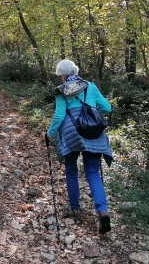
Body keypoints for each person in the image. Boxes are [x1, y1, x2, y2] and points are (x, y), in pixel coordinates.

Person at [46, 59, 113, 234]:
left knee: (71, 169)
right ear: (75, 71)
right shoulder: (90, 85)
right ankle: (102, 210)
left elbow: (60, 116)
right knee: (92, 171)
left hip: (71, 132)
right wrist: (93, 108)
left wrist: (49, 133)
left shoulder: (62, 90)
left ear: (63, 75)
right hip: (93, 131)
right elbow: (107, 108)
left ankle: (75, 208)